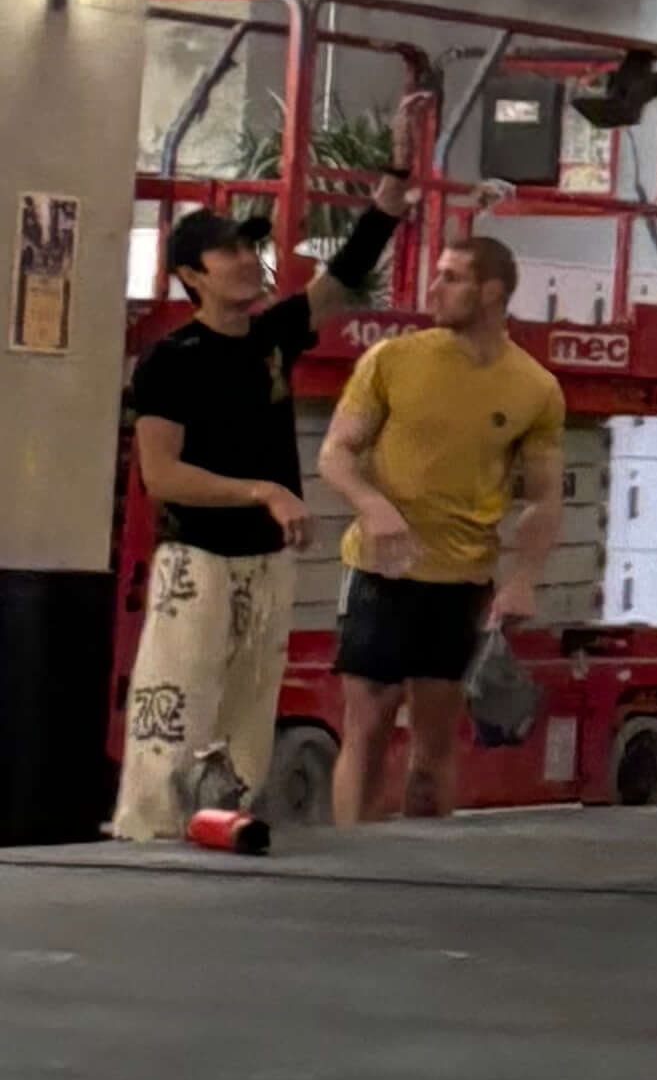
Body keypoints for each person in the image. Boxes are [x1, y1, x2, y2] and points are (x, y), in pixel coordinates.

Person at [109, 174, 411, 845]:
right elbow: (161, 475)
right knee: (176, 706)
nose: (248, 260)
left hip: (267, 561)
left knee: (248, 715)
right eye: (229, 253)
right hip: (198, 561)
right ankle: (149, 838)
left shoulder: (275, 334)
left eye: (251, 248)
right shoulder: (170, 360)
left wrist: (391, 194)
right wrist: (263, 490)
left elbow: (345, 275)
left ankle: (225, 828)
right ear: (193, 274)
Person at [313, 237, 569, 822]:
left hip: (461, 582)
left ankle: (427, 878)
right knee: (369, 727)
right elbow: (336, 453)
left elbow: (544, 496)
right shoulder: (391, 359)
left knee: (432, 749)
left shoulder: (535, 388)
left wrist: (524, 578)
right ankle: (348, 867)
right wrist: (371, 506)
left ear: (492, 291)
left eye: (451, 277)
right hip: (380, 571)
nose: (434, 288)